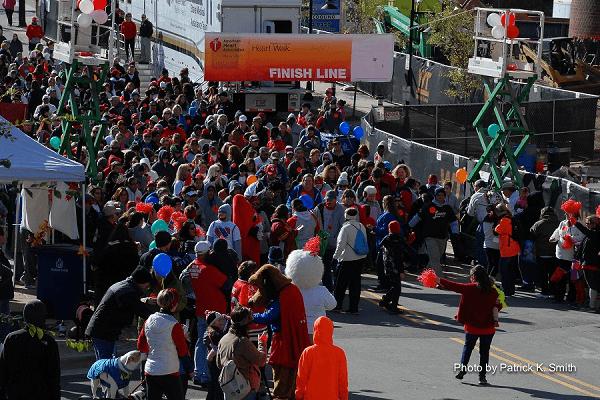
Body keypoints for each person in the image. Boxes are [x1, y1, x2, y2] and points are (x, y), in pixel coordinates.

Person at [438, 265, 501, 386]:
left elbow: (453, 286)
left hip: (472, 327)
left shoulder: (469, 288)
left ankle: (462, 369)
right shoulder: (493, 291)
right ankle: (482, 377)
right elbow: (498, 307)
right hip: (488, 328)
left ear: (474, 277)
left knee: (468, 348)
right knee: (484, 352)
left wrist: (438, 280)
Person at [86, 266, 153, 360]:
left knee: (103, 364)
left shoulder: (124, 286)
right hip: (104, 332)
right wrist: (158, 318)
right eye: (147, 282)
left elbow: (132, 303)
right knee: (106, 366)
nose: (148, 286)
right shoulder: (128, 292)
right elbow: (141, 310)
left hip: (100, 329)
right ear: (141, 281)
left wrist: (146, 301)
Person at [189, 241, 232, 387]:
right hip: (215, 311)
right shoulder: (208, 269)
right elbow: (227, 283)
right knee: (213, 344)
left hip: (201, 310)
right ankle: (207, 376)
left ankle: (198, 373)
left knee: (201, 342)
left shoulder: (192, 267)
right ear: (208, 253)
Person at [0, 300, 61, 400]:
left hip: (15, 394)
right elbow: (54, 378)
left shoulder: (12, 338)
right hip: (41, 395)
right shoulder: (48, 342)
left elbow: (3, 371)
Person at [138, 288, 189, 400]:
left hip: (151, 370)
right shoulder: (175, 325)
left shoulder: (148, 320)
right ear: (174, 305)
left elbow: (141, 346)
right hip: (169, 371)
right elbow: (182, 351)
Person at [217, 306, 268, 400]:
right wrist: (262, 343)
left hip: (230, 389)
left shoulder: (224, 339)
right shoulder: (243, 341)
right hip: (245, 389)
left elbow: (219, 364)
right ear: (246, 324)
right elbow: (261, 360)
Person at [408, 188, 458, 278]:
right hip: (430, 236)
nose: (441, 197)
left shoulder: (447, 208)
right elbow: (418, 217)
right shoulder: (428, 206)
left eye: (443, 195)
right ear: (435, 195)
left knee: (436, 258)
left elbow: (454, 221)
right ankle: (441, 280)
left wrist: (455, 233)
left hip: (443, 237)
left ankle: (426, 275)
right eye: (439, 195)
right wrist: (409, 226)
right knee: (434, 258)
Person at [295, 316, 348, 400]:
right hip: (331, 396)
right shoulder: (339, 353)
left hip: (311, 396)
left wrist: (299, 395)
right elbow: (342, 379)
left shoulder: (308, 352)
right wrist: (343, 397)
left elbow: (301, 378)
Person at [332, 208, 367, 315]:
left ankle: (338, 305)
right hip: (359, 258)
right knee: (355, 284)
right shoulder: (361, 226)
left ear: (345, 216)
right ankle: (354, 308)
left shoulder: (345, 228)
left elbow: (340, 245)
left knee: (340, 284)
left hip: (346, 259)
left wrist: (335, 257)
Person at [376, 221, 405, 315]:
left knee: (394, 285)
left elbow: (379, 247)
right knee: (397, 287)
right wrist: (401, 270)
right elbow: (399, 257)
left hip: (387, 265)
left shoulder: (387, 238)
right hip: (395, 266)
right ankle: (393, 306)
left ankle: (386, 300)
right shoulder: (398, 240)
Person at [573, 215, 600, 313]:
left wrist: (575, 223)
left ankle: (592, 306)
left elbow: (585, 231)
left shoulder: (595, 233)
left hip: (591, 263)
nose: (587, 225)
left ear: (594, 224)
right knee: (586, 283)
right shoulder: (591, 234)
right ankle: (587, 303)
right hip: (585, 262)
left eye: (588, 223)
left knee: (592, 284)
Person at [494, 204, 520, 297]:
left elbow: (496, 230)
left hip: (507, 249)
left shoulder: (504, 220)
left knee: (503, 270)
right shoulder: (511, 219)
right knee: (510, 270)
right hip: (514, 248)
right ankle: (511, 289)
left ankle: (506, 290)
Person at [204, 311, 229, 400]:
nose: (221, 321)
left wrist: (228, 322)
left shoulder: (216, 332)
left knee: (215, 385)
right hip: (215, 362)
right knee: (218, 385)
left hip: (215, 362)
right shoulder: (215, 333)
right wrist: (229, 323)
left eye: (221, 319)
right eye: (218, 320)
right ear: (213, 323)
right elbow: (225, 335)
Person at [0, 227, 13, 342]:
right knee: (4, 322)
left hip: (4, 293)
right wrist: (9, 272)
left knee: (5, 321)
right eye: (4, 235)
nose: (5, 237)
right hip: (2, 293)